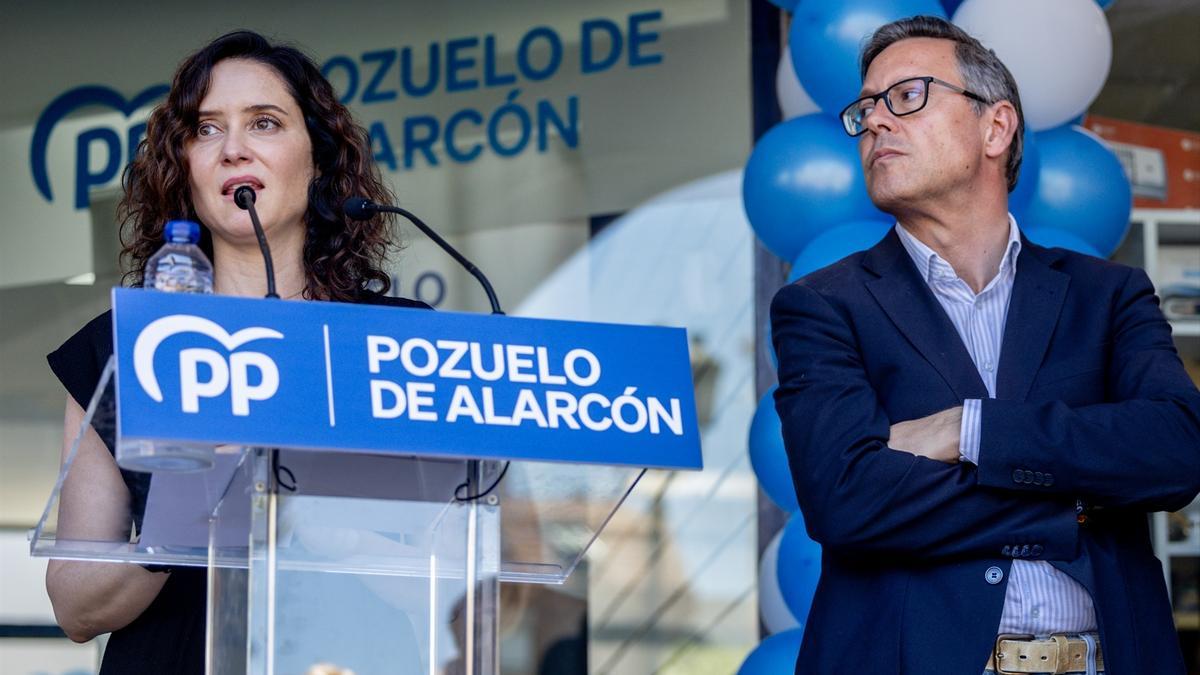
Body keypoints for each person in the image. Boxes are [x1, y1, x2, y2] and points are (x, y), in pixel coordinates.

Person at [770, 16, 1200, 675]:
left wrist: (966, 429)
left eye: (907, 96)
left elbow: (1175, 448)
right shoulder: (823, 304)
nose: (877, 122)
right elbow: (846, 496)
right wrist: (1070, 499)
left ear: (996, 127)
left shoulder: (1107, 295)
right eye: (865, 108)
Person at [45, 30, 428, 674]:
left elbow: (462, 586)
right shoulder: (123, 344)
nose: (234, 149)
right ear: (183, 166)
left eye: (265, 123)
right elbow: (75, 607)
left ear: (319, 158)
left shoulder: (404, 344)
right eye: (206, 129)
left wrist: (338, 533)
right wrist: (175, 530)